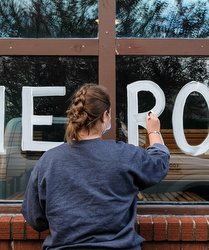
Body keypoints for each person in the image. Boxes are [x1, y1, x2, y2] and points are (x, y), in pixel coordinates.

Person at [21, 83, 170, 250]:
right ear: (104, 116)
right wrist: (153, 131)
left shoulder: (48, 160)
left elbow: (35, 219)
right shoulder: (125, 155)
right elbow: (160, 162)